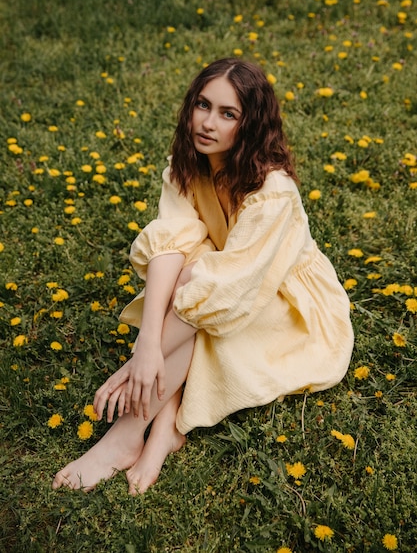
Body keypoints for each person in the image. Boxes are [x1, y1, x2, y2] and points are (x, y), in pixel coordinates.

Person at [52, 57, 354, 494]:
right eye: (202, 105)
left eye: (228, 114)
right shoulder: (189, 161)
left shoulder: (273, 193)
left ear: (250, 125)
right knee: (186, 275)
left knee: (202, 295)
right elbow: (171, 240)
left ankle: (135, 434)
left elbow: (233, 287)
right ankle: (156, 432)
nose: (208, 123)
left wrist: (138, 361)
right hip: (222, 278)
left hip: (285, 301)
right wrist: (147, 346)